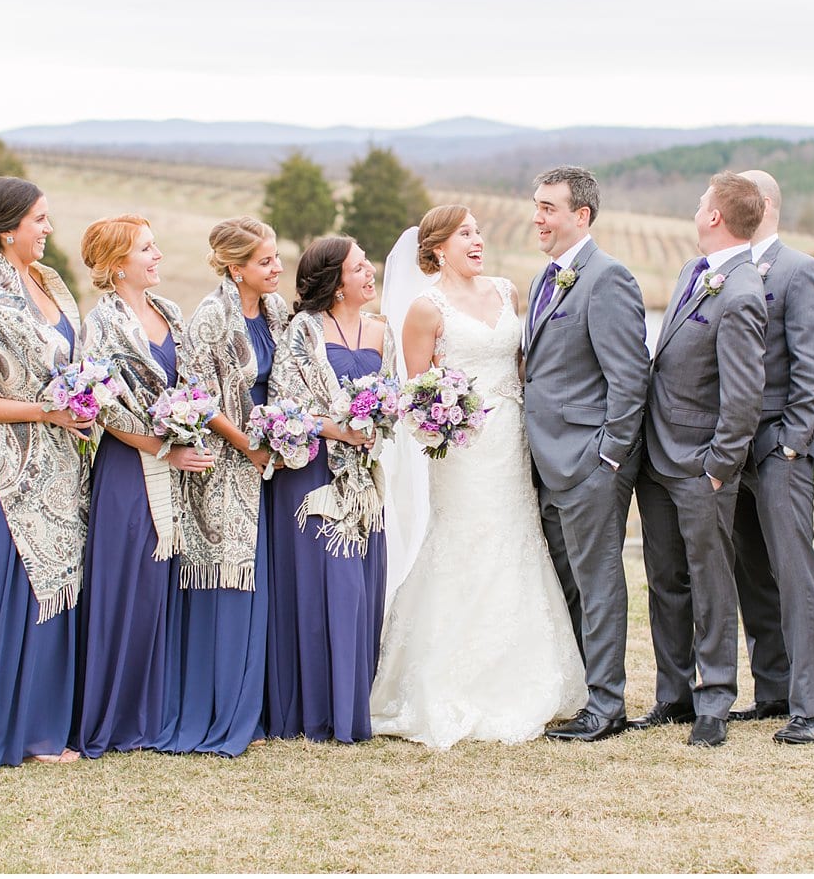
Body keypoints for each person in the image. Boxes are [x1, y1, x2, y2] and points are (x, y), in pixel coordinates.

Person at [370, 205, 587, 749]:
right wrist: (446, 417)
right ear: (437, 246)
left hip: (512, 436)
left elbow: (520, 364)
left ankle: (524, 670)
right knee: (466, 543)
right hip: (462, 449)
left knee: (518, 538)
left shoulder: (506, 291)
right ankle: (448, 679)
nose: (477, 241)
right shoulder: (425, 308)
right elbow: (414, 392)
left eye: (478, 232)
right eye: (465, 233)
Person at [0, 175, 90, 772]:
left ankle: (51, 721)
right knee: (22, 586)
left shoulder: (46, 283)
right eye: (40, 220)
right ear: (8, 232)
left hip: (63, 461)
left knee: (60, 580)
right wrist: (43, 412)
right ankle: (19, 732)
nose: (48, 228)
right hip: (14, 465)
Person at [635, 171, 768, 749]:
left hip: (701, 463)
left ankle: (714, 699)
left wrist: (720, 464)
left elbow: (743, 394)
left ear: (715, 216)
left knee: (710, 579)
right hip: (658, 454)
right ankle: (673, 692)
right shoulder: (697, 271)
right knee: (665, 577)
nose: (695, 211)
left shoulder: (740, 291)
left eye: (699, 204)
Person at [522, 165, 650, 743]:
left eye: (549, 207)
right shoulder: (544, 280)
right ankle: (581, 691)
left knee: (598, 583)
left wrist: (611, 456)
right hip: (546, 464)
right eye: (537, 205)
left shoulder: (607, 279)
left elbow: (630, 377)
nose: (537, 217)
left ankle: (607, 706)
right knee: (568, 583)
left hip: (591, 464)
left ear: (582, 216)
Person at [75, 215, 210, 757]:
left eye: (155, 246)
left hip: (176, 468)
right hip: (128, 469)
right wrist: (162, 447)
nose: (158, 256)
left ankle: (157, 711)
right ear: (116, 264)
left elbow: (193, 382)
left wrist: (190, 423)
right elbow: (102, 406)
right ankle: (115, 717)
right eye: (146, 249)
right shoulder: (100, 324)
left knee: (161, 589)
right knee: (126, 585)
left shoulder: (170, 312)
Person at [166, 217, 290, 755]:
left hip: (275, 460)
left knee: (265, 577)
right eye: (265, 262)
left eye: (277, 257)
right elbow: (198, 395)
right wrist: (248, 444)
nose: (278, 267)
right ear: (235, 268)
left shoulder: (279, 312)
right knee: (230, 579)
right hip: (224, 464)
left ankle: (258, 705)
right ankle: (222, 711)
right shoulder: (211, 318)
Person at [268, 236, 391, 743]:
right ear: (336, 282)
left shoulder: (381, 331)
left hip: (366, 480)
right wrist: (337, 429)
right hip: (314, 475)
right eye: (360, 267)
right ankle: (318, 713)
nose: (370, 273)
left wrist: (384, 421)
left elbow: (393, 400)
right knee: (329, 589)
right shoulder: (304, 330)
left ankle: (353, 704)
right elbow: (283, 403)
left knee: (363, 588)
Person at [727, 170, 814, 745]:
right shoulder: (722, 269)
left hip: (780, 445)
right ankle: (770, 688)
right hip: (731, 447)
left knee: (794, 573)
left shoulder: (800, 271)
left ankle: (810, 702)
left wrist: (794, 440)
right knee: (751, 572)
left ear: (765, 203)